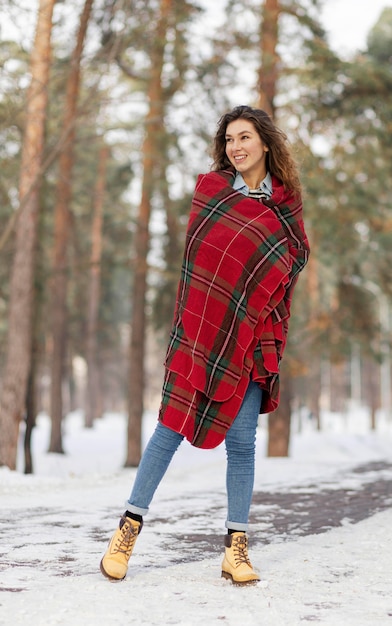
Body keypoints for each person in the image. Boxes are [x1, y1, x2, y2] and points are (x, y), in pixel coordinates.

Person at [100, 105, 310, 585]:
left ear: (265, 143)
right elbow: (198, 268)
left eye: (245, 138)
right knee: (168, 429)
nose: (236, 147)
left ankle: (236, 549)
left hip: (254, 334)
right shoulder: (212, 192)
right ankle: (126, 532)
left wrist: (259, 312)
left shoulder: (286, 202)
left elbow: (295, 256)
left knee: (241, 444)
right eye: (229, 139)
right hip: (202, 334)